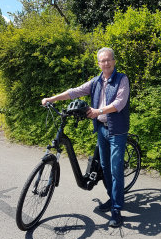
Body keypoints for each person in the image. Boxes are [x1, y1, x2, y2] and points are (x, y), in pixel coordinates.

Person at [42, 47, 130, 227]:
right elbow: (74, 92)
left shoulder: (122, 79)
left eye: (108, 60)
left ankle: (117, 209)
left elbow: (119, 103)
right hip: (102, 129)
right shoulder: (96, 81)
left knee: (115, 168)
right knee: (104, 168)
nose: (105, 63)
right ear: (98, 63)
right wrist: (52, 99)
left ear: (114, 61)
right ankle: (112, 198)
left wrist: (98, 111)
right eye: (102, 61)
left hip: (117, 130)